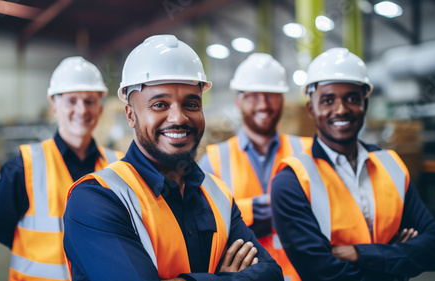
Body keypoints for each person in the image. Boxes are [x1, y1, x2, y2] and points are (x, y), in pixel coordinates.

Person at [63, 35, 283, 281]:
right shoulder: (97, 198)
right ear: (131, 115)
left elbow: (272, 273)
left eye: (191, 104)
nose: (178, 118)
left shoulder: (217, 194)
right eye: (159, 105)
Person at [270, 47, 435, 280]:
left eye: (352, 98)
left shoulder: (391, 164)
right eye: (328, 100)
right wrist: (395, 257)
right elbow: (320, 272)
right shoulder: (291, 181)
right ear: (311, 109)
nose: (341, 109)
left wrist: (358, 254)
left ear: (365, 104)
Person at [0, 56, 124, 281]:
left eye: (89, 101)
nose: (81, 110)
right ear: (54, 106)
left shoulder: (118, 167)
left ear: (100, 108)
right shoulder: (23, 166)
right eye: (71, 101)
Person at [198, 53, 311, 280]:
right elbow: (201, 225)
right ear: (238, 101)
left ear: (282, 100)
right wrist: (250, 211)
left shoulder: (307, 151)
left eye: (272, 95)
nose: (264, 105)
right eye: (253, 96)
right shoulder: (213, 160)